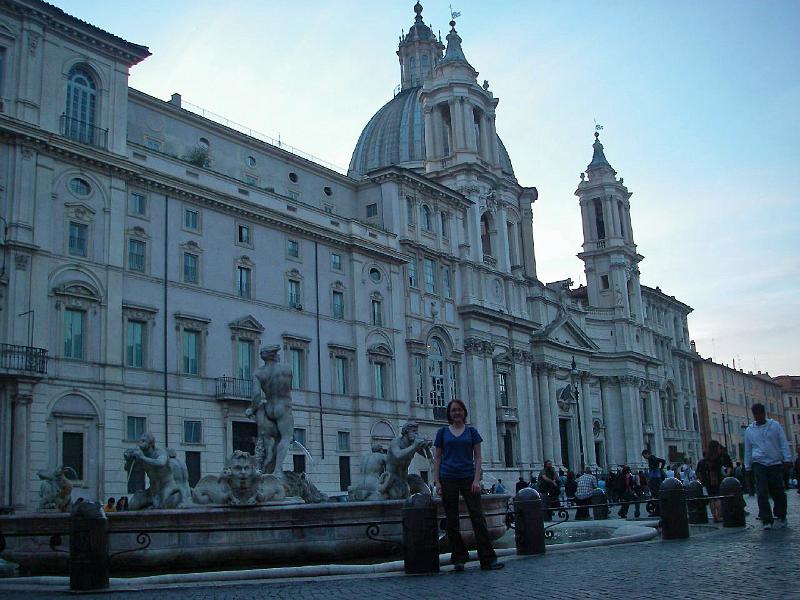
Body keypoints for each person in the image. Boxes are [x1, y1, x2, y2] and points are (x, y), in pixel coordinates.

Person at [433, 399, 503, 572]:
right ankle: (458, 558)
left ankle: (487, 559)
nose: (456, 413)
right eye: (453, 410)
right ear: (449, 414)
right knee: (452, 521)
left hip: (468, 477)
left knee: (478, 518)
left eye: (459, 410)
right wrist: (437, 482)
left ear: (464, 412)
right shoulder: (442, 432)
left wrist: (476, 479)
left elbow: (478, 457)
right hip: (448, 477)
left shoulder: (472, 432)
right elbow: (437, 458)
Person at [248, 345, 295, 476]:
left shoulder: (258, 373)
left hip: (269, 407)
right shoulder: (286, 368)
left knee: (270, 442)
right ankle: (277, 471)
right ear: (275, 355)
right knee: (285, 438)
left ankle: (264, 468)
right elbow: (289, 388)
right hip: (283, 407)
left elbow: (256, 395)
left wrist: (251, 410)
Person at [744, 403, 791, 530]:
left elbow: (783, 442)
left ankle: (781, 515)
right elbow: (748, 449)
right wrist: (747, 466)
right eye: (756, 414)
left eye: (760, 414)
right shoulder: (749, 430)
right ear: (753, 415)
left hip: (774, 462)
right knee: (761, 491)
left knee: (778, 490)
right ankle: (766, 518)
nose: (758, 416)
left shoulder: (775, 426)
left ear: (764, 413)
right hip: (759, 463)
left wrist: (787, 459)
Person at [698, 440, 733, 522]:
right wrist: (727, 474)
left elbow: (700, 471)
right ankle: (720, 515)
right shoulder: (720, 457)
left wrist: (702, 480)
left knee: (711, 499)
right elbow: (728, 467)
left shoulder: (706, 459)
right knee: (718, 498)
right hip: (719, 479)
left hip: (708, 481)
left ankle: (714, 516)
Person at [641, 449, 665, 515]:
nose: (644, 458)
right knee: (657, 494)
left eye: (644, 456)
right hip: (657, 477)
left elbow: (661, 462)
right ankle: (658, 510)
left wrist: (654, 468)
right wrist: (661, 468)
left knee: (655, 494)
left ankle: (658, 511)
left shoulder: (651, 458)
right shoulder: (654, 458)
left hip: (655, 478)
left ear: (647, 454)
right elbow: (663, 461)